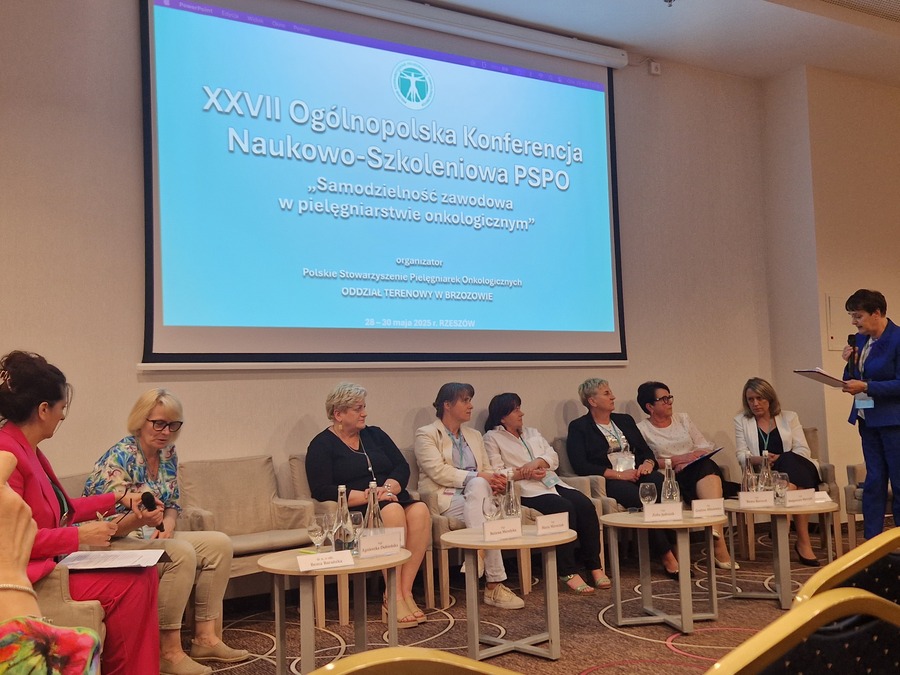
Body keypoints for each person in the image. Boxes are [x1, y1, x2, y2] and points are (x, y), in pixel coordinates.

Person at [0, 350, 160, 675]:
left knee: (143, 574)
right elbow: (11, 541)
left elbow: (61, 509)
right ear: (43, 409)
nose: (62, 416)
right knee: (134, 582)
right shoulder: (8, 454)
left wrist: (118, 498)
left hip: (50, 566)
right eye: (61, 407)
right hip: (31, 577)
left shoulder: (27, 448)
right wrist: (79, 536)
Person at [83, 388, 249, 675]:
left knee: (219, 544)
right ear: (140, 421)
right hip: (111, 541)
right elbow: (106, 526)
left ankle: (205, 639)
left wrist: (169, 523)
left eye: (173, 425)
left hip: (150, 534)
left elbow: (172, 503)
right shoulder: (119, 457)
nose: (165, 432)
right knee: (180, 553)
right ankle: (167, 651)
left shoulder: (167, 453)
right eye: (158, 423)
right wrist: (143, 522)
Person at [306, 383, 431, 628]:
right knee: (393, 511)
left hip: (389, 497)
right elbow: (321, 489)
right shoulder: (321, 445)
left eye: (364, 407)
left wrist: (388, 488)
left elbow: (401, 466)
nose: (364, 413)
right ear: (338, 414)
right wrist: (368, 496)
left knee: (420, 510)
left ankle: (405, 591)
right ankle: (393, 595)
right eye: (358, 409)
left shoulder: (376, 435)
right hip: (356, 509)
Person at [483, 392, 610, 594]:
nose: (521, 413)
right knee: (564, 508)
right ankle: (567, 572)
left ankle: (594, 566)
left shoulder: (532, 432)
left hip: (552, 482)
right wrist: (524, 473)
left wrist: (537, 463)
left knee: (586, 505)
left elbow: (553, 457)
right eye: (515, 410)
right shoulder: (492, 437)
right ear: (502, 417)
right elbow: (497, 472)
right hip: (526, 488)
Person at [414, 382, 525, 610]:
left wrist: (496, 481)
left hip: (478, 497)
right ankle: (494, 584)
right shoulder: (426, 434)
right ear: (447, 404)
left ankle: (480, 557)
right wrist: (480, 477)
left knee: (480, 492)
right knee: (482, 497)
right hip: (446, 498)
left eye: (470, 400)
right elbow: (438, 471)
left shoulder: (474, 435)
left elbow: (487, 469)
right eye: (465, 400)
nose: (471, 406)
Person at [566, 378, 680, 578]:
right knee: (643, 498)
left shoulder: (624, 420)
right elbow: (581, 465)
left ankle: (675, 546)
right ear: (592, 401)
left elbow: (646, 451)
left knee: (663, 486)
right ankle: (667, 556)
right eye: (607, 393)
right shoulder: (579, 427)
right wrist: (620, 475)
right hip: (611, 480)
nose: (613, 397)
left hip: (638, 472)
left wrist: (648, 464)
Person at [0, 451, 102, 674]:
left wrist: (116, 500)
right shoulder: (11, 450)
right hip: (41, 575)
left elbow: (63, 510)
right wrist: (10, 573)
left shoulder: (30, 453)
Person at [636, 381, 738, 569]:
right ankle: (718, 543)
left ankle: (716, 533)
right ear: (650, 406)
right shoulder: (641, 429)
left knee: (706, 465)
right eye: (663, 399)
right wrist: (677, 460)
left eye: (670, 397)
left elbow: (703, 445)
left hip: (696, 470)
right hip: (669, 477)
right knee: (706, 468)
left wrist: (688, 460)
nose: (669, 402)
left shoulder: (682, 419)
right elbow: (649, 461)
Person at [734, 377, 822, 566]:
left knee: (788, 458)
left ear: (770, 398)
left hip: (796, 466)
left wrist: (781, 458)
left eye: (760, 398)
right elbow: (741, 455)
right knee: (795, 486)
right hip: (767, 473)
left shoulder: (789, 417)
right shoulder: (741, 421)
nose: (755, 403)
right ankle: (803, 542)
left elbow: (803, 450)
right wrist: (761, 459)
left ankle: (784, 523)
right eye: (750, 399)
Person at [841, 289, 900, 540]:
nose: (854, 322)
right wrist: (848, 362)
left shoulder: (897, 338)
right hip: (867, 418)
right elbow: (852, 378)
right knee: (874, 481)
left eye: (858, 316)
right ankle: (872, 544)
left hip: (893, 421)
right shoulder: (861, 340)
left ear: (876, 313)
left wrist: (867, 386)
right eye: (852, 316)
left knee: (898, 481)